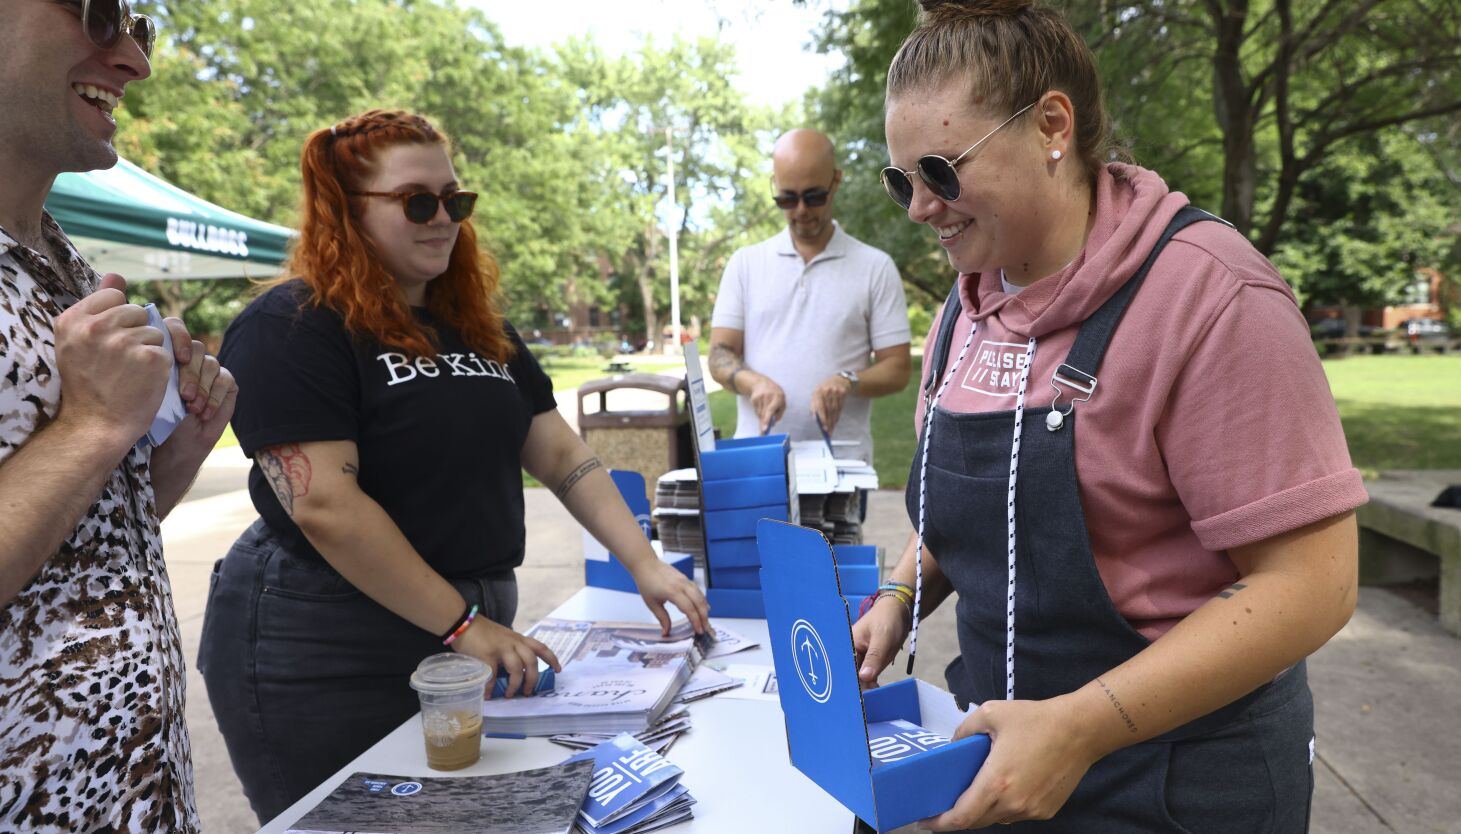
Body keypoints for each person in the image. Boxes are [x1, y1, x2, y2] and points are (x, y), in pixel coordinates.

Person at [853, 1, 1367, 830]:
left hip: (1179, 782)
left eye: (941, 172)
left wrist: (1080, 727)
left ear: (1051, 125)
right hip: (1001, 759)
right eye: (900, 178)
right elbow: (970, 512)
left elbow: (1314, 585)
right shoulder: (962, 310)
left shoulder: (1209, 296)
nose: (918, 208)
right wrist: (898, 593)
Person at [198, 109, 711, 823]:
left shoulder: (477, 326)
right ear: (346, 210)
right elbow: (324, 506)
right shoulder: (292, 324)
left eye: (455, 200)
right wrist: (464, 626)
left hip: (457, 631)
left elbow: (560, 453)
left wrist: (643, 562)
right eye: (417, 201)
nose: (444, 218)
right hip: (321, 643)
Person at [0, 2, 237, 830]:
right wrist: (91, 429)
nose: (134, 59)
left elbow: (76, 564)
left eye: (143, 27)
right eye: (99, 12)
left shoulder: (63, 259)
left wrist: (165, 455)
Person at [709, 128, 912, 463]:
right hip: (760, 458)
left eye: (814, 196)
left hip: (842, 463)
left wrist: (847, 381)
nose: (801, 210)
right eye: (787, 198)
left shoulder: (875, 266)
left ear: (836, 181)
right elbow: (719, 354)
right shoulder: (745, 264)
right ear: (774, 185)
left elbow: (898, 368)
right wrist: (753, 383)